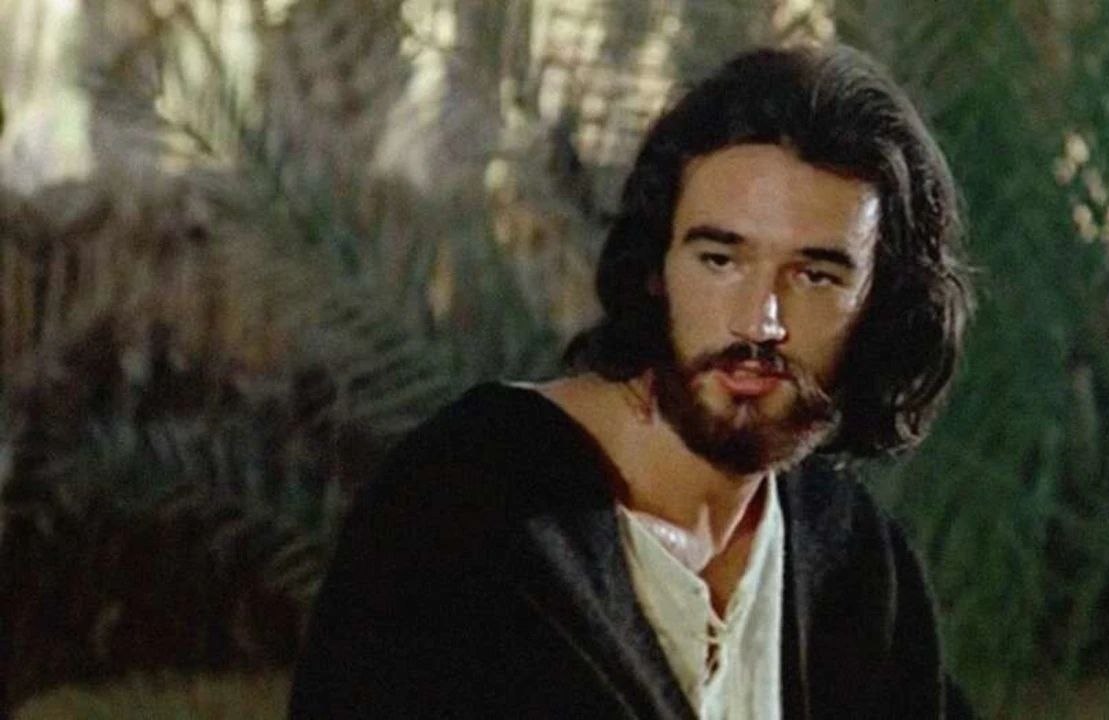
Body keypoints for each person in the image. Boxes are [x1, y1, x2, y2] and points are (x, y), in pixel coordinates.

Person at [291, 44, 975, 719]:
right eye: (720, 260)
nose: (760, 322)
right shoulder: (467, 504)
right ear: (656, 267)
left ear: (881, 305)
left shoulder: (852, 564)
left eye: (815, 276)